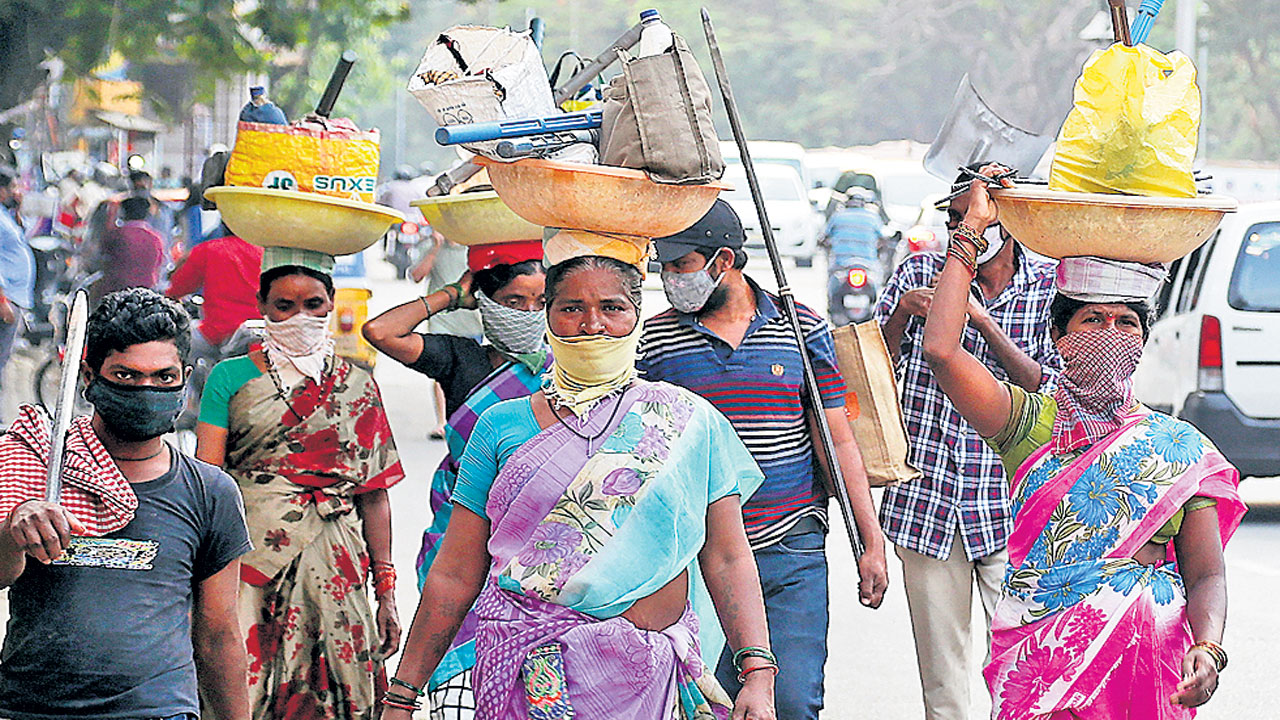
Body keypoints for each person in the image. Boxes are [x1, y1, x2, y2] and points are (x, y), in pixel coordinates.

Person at [388, 250, 776, 720]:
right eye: (572, 308)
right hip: (531, 677)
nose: (593, 324)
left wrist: (757, 672)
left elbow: (728, 555)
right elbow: (454, 573)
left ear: (637, 318)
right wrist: (402, 696)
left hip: (652, 684)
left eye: (612, 307)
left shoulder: (690, 422)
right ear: (547, 318)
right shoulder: (500, 426)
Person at [921, 168, 1245, 719]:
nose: (1110, 334)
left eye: (1126, 323)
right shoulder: (1030, 422)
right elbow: (942, 353)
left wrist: (1209, 646)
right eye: (1093, 319)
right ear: (1059, 337)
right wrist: (971, 233)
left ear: (1143, 340)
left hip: (1149, 672)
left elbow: (1206, 572)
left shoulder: (1181, 449)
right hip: (1044, 661)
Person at [639, 200, 888, 720]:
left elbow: (837, 441)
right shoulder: (656, 341)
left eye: (680, 266)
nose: (670, 279)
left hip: (791, 549)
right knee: (713, 702)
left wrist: (870, 542)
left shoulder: (802, 329)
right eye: (664, 267)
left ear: (723, 260)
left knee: (793, 702)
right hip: (698, 555)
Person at [0, 287, 252, 720]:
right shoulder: (35, 462)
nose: (147, 389)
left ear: (185, 378)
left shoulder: (210, 492)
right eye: (126, 376)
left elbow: (218, 635)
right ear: (88, 377)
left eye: (164, 378)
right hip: (29, 709)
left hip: (158, 711)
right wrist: (12, 528)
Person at [872, 164, 1061, 720]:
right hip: (928, 502)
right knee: (943, 683)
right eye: (954, 220)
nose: (963, 233)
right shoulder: (918, 272)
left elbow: (1047, 388)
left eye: (973, 220)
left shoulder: (1048, 285)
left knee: (1025, 666)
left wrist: (975, 322)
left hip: (1016, 507)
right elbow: (874, 371)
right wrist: (904, 316)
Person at [195, 247, 405, 720]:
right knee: (241, 694)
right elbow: (207, 482)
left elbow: (374, 495)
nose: (300, 316)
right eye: (284, 306)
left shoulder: (358, 384)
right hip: (248, 562)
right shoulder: (229, 378)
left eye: (313, 304)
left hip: (337, 562)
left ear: (332, 302)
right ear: (262, 307)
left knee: (338, 693)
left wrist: (386, 592)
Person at [364, 239, 548, 718]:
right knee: (460, 684)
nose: (529, 313)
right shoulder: (461, 359)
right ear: (486, 302)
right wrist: (450, 295)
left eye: (540, 303)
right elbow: (380, 331)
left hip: (538, 545)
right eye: (514, 302)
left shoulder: (566, 368)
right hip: (460, 532)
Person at [408, 230, 484, 437]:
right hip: (441, 320)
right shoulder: (432, 245)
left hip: (472, 321)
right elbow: (416, 276)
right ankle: (442, 422)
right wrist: (435, 248)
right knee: (442, 371)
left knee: (473, 373)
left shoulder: (474, 246)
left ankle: (469, 420)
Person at [166, 230, 265, 369]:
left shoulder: (209, 249)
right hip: (260, 333)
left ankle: (187, 389)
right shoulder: (264, 253)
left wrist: (170, 296)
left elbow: (181, 285)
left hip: (216, 334)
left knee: (173, 345)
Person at [0, 168, 34, 416]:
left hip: (14, 296)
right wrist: (2, 300)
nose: (17, 191)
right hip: (7, 297)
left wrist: (18, 211)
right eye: (12, 187)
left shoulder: (6, 216)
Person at [96, 195, 166, 300]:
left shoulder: (116, 234)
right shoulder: (155, 239)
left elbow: (101, 253)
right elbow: (160, 266)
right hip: (147, 294)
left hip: (116, 293)